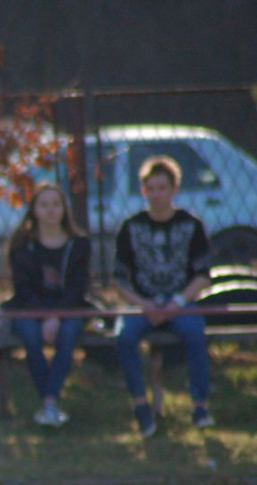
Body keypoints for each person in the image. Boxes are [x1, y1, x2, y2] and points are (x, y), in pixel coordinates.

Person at [113, 155, 214, 438]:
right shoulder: (130, 227)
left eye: (162, 187)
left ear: (174, 189)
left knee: (195, 333)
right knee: (123, 337)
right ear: (143, 191)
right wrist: (143, 304)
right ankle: (140, 405)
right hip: (142, 304)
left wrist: (177, 303)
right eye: (151, 188)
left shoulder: (191, 224)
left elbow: (203, 275)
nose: (157, 194)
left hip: (180, 303)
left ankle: (199, 405)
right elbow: (119, 278)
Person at [4, 182, 92, 427]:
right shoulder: (22, 245)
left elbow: (77, 288)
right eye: (44, 204)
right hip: (30, 309)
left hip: (68, 309)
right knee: (30, 336)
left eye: (56, 204)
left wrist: (57, 316)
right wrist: (44, 317)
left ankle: (49, 401)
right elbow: (23, 290)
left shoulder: (79, 244)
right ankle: (49, 402)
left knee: (69, 332)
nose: (50, 210)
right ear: (34, 209)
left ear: (64, 209)